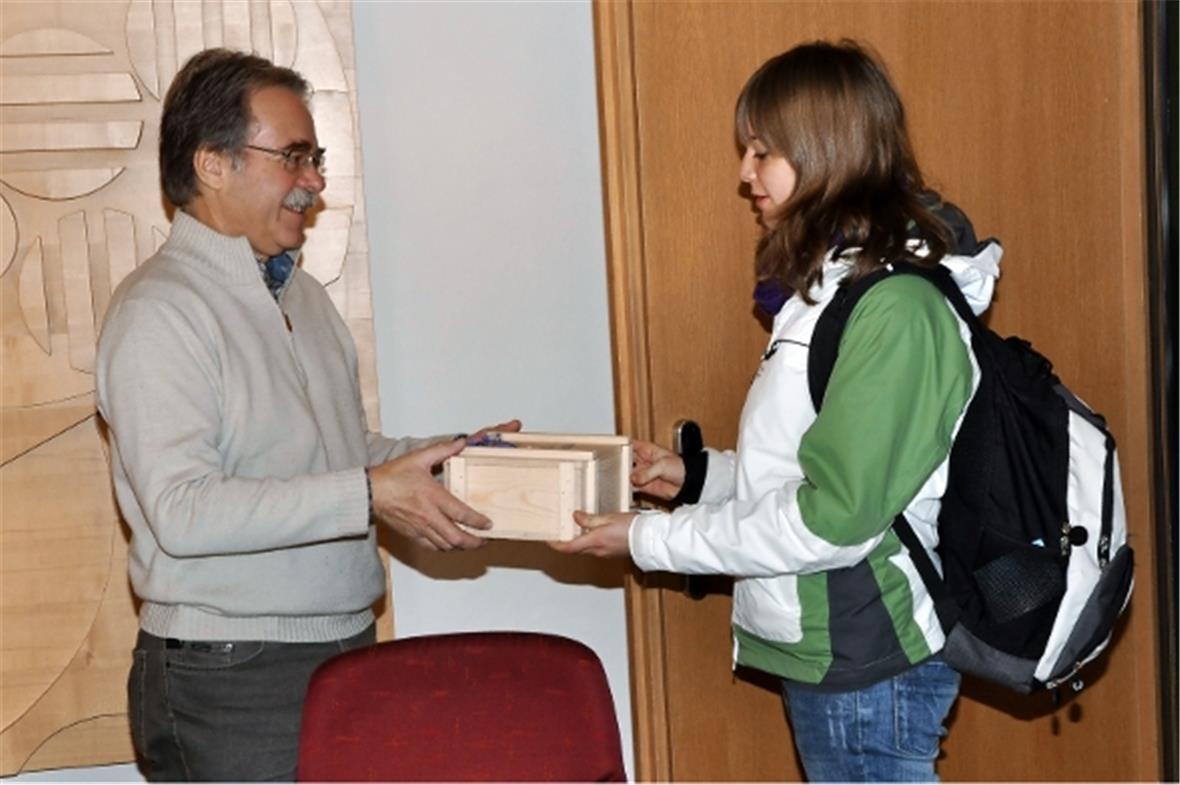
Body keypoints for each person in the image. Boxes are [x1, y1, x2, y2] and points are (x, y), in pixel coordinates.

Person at [554, 40, 1002, 783]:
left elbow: (835, 520)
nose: (744, 173)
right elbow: (807, 469)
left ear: (826, 150)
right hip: (842, 653)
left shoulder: (896, 309)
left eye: (763, 151)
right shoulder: (833, 289)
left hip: (866, 659)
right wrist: (694, 476)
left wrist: (648, 538)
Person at [95, 48, 517, 781]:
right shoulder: (158, 312)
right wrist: (370, 490)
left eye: (313, 157)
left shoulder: (304, 296)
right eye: (293, 157)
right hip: (233, 677)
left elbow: (341, 453)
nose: (315, 180)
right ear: (212, 164)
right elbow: (183, 511)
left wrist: (452, 458)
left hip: (345, 647)